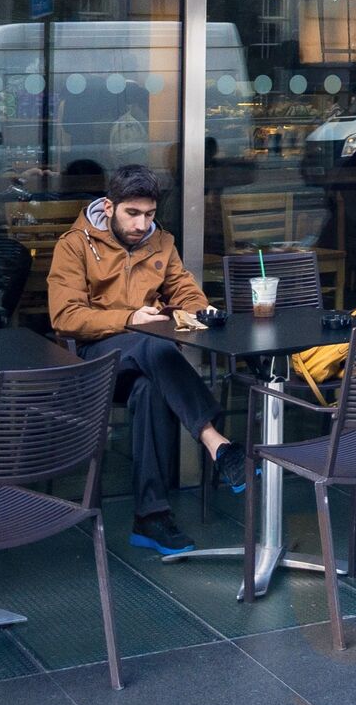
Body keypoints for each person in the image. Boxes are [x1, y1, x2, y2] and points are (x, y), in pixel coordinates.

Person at [48, 164, 246, 555]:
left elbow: (188, 293)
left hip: (145, 364)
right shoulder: (74, 244)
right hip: (93, 360)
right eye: (132, 213)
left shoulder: (161, 243)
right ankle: (215, 441)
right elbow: (65, 317)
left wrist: (196, 310)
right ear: (109, 207)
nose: (142, 224)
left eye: (149, 214)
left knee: (150, 389)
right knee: (154, 345)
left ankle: (151, 519)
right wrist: (129, 319)